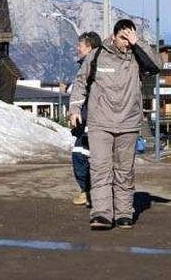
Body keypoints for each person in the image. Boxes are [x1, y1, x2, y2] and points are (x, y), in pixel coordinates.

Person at [69, 19, 161, 230]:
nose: (126, 43)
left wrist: (139, 43)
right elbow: (80, 83)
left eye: (130, 38)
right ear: (113, 36)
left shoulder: (138, 56)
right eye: (123, 38)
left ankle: (123, 214)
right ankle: (101, 214)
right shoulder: (97, 55)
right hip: (100, 122)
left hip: (128, 123)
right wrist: (74, 109)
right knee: (100, 168)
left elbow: (157, 66)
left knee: (124, 171)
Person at [70, 31, 102, 207]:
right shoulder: (84, 66)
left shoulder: (96, 67)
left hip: (95, 121)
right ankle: (87, 191)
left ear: (89, 48)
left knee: (86, 157)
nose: (77, 48)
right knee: (80, 155)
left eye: (80, 46)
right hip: (85, 120)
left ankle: (91, 192)